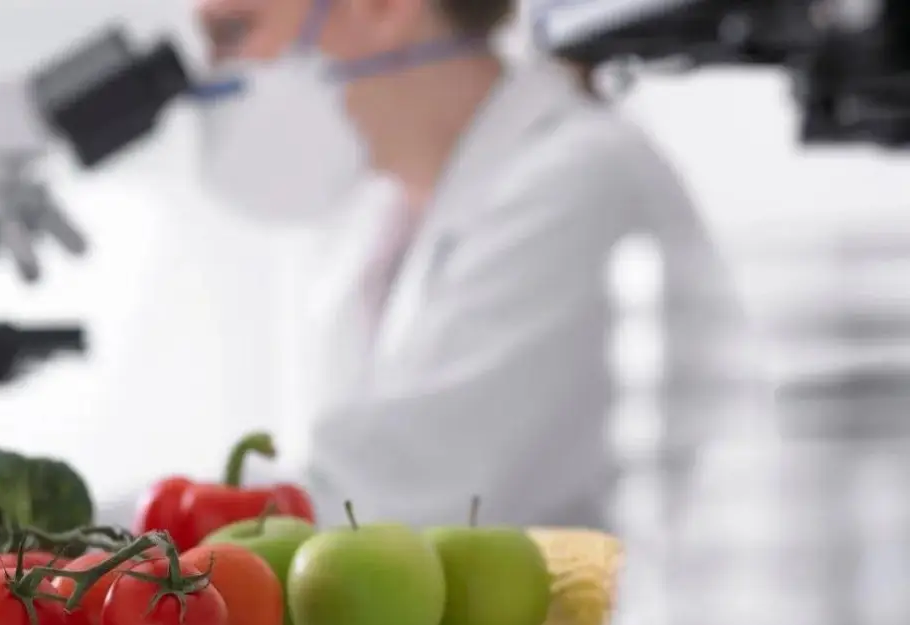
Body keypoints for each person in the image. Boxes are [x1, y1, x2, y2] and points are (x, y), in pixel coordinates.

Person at [109, 0, 766, 530]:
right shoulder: (376, 220)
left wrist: (71, 531)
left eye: (235, 32)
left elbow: (374, 508)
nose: (213, 78)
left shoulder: (578, 183)